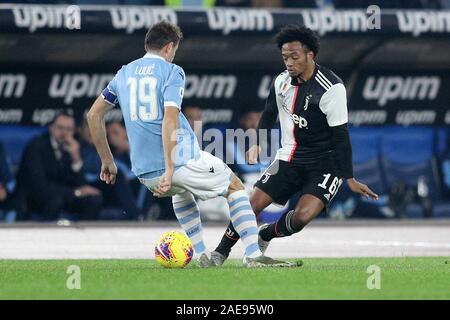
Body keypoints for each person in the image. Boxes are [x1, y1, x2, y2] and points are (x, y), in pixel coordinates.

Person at [87, 21, 292, 268]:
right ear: (169, 47)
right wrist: (171, 168)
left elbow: (93, 115)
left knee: (181, 191)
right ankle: (253, 254)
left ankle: (203, 253)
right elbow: (170, 120)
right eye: (175, 50)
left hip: (144, 171)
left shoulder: (124, 73)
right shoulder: (172, 72)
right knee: (235, 187)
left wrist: (107, 161)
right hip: (179, 161)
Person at [211, 24, 379, 265]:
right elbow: (269, 112)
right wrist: (258, 142)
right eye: (284, 57)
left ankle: (265, 234)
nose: (288, 62)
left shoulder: (331, 88)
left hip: (325, 163)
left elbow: (341, 136)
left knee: (301, 217)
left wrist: (349, 179)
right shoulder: (281, 82)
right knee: (251, 204)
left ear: (310, 55)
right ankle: (220, 252)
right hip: (289, 157)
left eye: (294, 56)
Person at [16, 112, 102, 221]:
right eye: (60, 128)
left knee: (94, 200)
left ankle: (85, 235)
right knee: (56, 200)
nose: (64, 133)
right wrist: (75, 192)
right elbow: (39, 186)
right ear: (51, 128)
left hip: (64, 195)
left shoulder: (73, 146)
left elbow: (81, 184)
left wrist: (76, 158)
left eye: (69, 129)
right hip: (36, 197)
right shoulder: (37, 146)